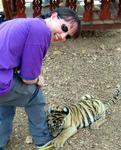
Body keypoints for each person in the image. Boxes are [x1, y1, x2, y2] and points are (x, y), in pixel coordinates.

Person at [0, 7, 80, 150]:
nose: (63, 36)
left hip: (4, 74)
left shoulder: (25, 22)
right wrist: (37, 80)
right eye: (64, 28)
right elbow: (27, 78)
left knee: (6, 101)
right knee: (36, 97)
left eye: (67, 36)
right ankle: (43, 141)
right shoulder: (41, 31)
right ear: (54, 16)